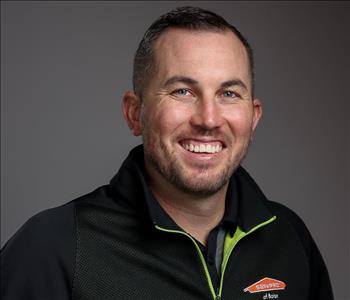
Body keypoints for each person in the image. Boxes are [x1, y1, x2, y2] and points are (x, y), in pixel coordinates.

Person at [1, 6, 333, 300]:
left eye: (229, 93)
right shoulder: (55, 248)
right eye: (183, 91)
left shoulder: (289, 239)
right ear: (135, 113)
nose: (209, 119)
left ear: (253, 116)